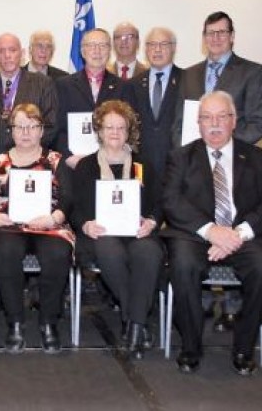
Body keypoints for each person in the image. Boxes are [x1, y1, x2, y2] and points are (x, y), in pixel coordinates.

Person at [162, 91, 262, 376]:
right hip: (195, 235)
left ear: (234, 121)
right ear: (198, 123)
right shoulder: (181, 156)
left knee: (261, 267)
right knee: (182, 265)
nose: (214, 124)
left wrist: (237, 234)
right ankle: (191, 347)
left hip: (243, 235)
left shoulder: (255, 157)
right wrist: (212, 232)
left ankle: (244, 348)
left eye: (221, 117)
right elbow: (171, 200)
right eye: (207, 118)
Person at [72, 100, 163, 359]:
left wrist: (152, 221)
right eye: (109, 127)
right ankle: (137, 322)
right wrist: (85, 224)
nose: (114, 132)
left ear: (129, 132)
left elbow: (159, 202)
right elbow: (75, 207)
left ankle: (133, 325)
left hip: (138, 232)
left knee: (148, 253)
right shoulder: (86, 166)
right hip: (101, 233)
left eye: (120, 128)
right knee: (109, 250)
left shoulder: (142, 165)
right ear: (99, 130)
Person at [0, 103, 74, 354]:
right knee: (4, 251)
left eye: (32, 126)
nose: (26, 132)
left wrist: (55, 217)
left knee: (57, 253)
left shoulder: (56, 160)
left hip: (49, 226)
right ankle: (15, 323)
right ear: (11, 130)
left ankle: (48, 322)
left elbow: (69, 198)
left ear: (41, 130)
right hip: (8, 226)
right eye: (19, 126)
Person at [173, 11, 262, 147]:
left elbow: (257, 124)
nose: (216, 38)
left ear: (232, 36)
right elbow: (178, 124)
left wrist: (224, 147)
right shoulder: (188, 74)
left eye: (222, 32)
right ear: (204, 38)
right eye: (210, 33)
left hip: (234, 160)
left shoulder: (252, 72)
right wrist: (187, 152)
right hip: (195, 160)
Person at [0, 33, 59, 160]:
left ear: (22, 54)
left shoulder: (43, 84)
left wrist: (26, 155)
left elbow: (51, 125)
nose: (7, 56)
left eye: (12, 50)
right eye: (1, 51)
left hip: (32, 163)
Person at [56, 28, 136, 169]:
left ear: (109, 51)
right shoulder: (62, 85)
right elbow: (57, 126)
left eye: (102, 46)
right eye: (92, 45)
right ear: (82, 51)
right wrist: (68, 156)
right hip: (73, 165)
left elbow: (129, 127)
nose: (97, 51)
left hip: (112, 163)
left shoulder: (124, 87)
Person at [128, 27, 183, 176]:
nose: (157, 50)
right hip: (141, 165)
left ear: (173, 48)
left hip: (177, 165)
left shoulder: (187, 80)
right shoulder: (133, 85)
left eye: (163, 44)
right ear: (146, 49)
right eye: (152, 44)